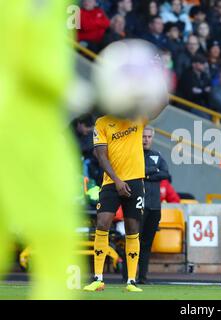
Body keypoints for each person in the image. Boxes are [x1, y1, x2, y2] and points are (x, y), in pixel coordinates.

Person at [0, 0, 84, 300]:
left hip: (34, 130)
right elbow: (29, 55)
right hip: (22, 133)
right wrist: (75, 89)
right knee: (56, 243)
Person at [83, 115, 148, 292]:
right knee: (102, 223)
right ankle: (98, 278)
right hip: (111, 182)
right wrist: (117, 181)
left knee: (133, 228)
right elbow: (101, 156)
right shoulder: (102, 122)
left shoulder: (137, 116)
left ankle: (131, 281)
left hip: (135, 181)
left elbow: (162, 102)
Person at [137, 126, 171, 284]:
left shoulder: (157, 155)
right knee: (133, 239)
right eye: (144, 136)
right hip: (138, 205)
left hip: (155, 206)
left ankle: (142, 277)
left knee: (147, 243)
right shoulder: (134, 154)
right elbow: (136, 172)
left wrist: (147, 173)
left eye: (149, 137)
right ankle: (127, 276)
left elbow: (166, 174)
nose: (146, 139)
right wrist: (153, 171)